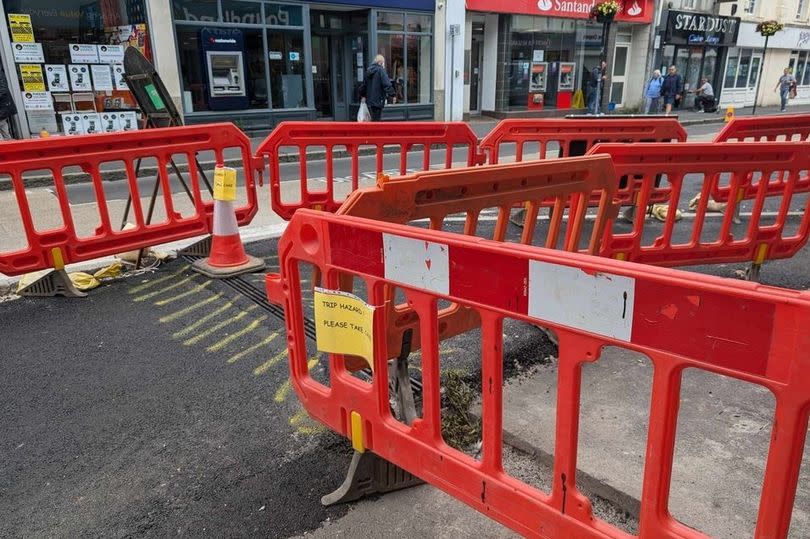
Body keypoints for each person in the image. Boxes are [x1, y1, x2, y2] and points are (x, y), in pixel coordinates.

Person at [360, 54, 395, 122]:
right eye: (383, 63)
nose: (384, 65)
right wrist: (393, 94)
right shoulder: (381, 70)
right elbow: (387, 84)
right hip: (378, 100)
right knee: (377, 120)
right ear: (380, 62)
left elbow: (364, 85)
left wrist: (363, 95)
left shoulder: (368, 71)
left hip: (369, 101)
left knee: (372, 119)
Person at [0, 70, 17, 140]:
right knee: (4, 130)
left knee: (3, 128)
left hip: (2, 106)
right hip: (2, 106)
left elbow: (3, 89)